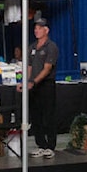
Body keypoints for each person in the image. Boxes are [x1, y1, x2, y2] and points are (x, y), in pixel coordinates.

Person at [19, 17, 59, 159]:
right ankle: (41, 145)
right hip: (33, 86)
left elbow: (47, 69)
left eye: (39, 28)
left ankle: (50, 146)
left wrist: (34, 82)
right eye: (35, 28)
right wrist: (26, 82)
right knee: (36, 117)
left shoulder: (51, 46)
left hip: (46, 85)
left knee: (48, 116)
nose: (36, 30)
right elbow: (29, 67)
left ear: (46, 30)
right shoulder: (32, 47)